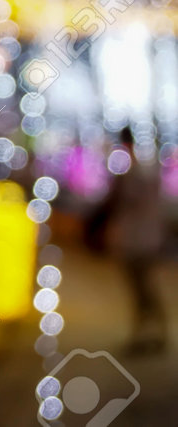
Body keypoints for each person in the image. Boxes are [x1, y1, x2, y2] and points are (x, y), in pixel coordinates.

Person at [96, 126, 168, 353]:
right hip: (148, 237)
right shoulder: (150, 171)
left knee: (141, 288)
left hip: (136, 239)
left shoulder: (130, 175)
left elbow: (116, 204)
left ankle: (149, 332)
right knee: (145, 287)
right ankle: (154, 331)